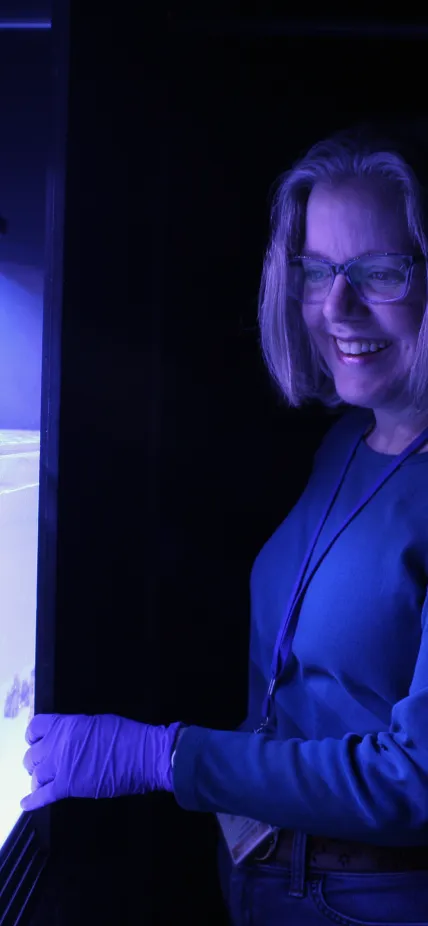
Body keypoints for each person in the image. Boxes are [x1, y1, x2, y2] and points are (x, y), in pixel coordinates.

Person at [21, 122, 428, 925]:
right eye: (317, 272)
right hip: (273, 882)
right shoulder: (347, 438)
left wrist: (160, 756)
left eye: (378, 272)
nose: (336, 307)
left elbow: (412, 783)